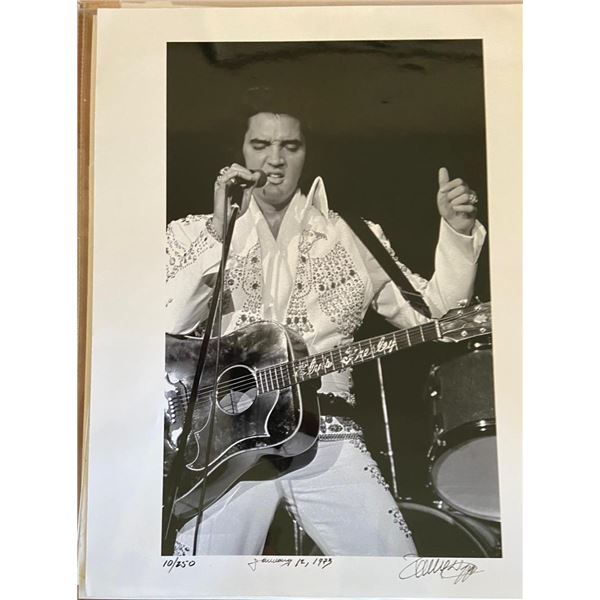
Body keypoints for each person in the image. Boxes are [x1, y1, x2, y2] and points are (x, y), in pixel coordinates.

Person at [165, 109, 486, 556]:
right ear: (238, 153)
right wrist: (219, 233)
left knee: (393, 572)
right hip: (223, 447)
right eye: (260, 145)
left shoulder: (353, 235)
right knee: (202, 583)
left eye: (289, 146)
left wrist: (457, 232)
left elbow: (436, 319)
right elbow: (166, 325)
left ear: (306, 154)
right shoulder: (191, 234)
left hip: (325, 435)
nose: (275, 159)